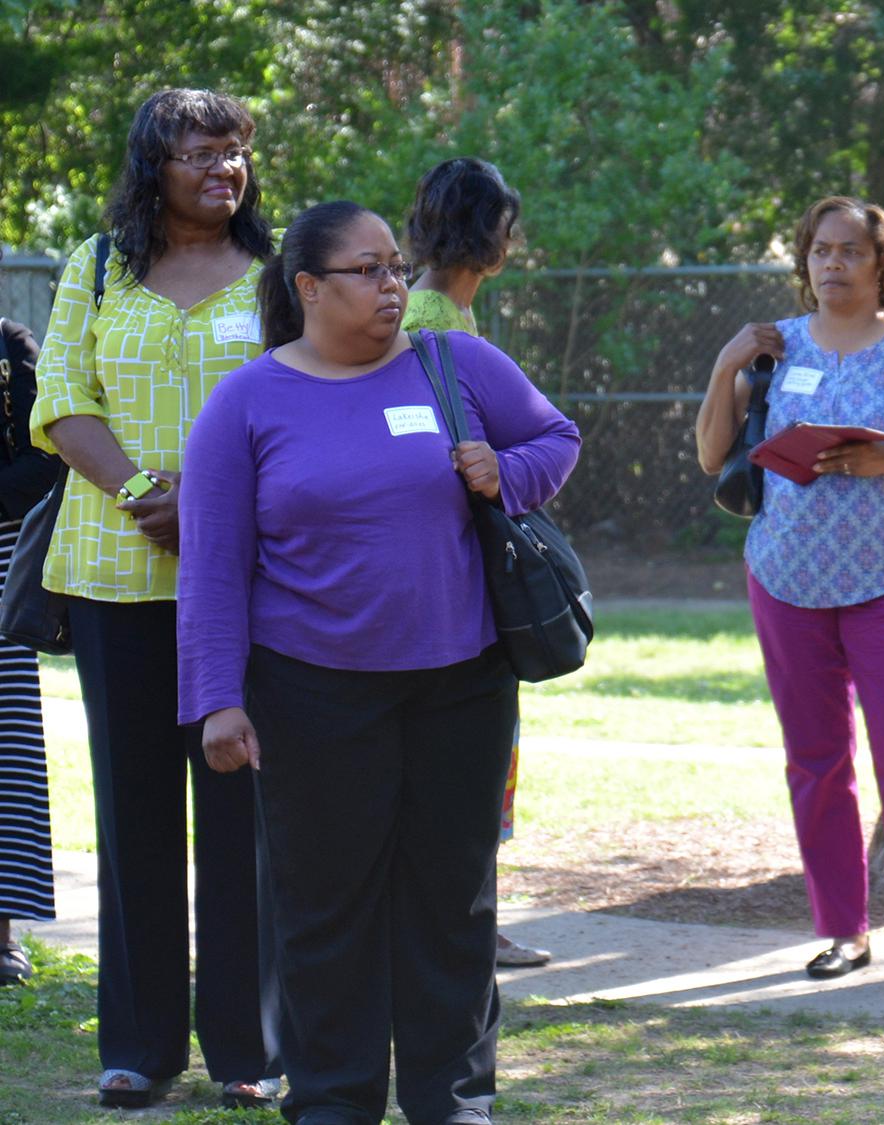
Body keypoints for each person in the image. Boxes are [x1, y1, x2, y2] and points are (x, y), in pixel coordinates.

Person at [176, 200, 580, 1124]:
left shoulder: (454, 363)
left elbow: (555, 437)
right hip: (310, 692)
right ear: (309, 286)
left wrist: (503, 474)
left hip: (462, 683)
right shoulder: (246, 403)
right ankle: (332, 1100)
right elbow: (211, 569)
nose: (393, 285)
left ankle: (454, 1099)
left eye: (398, 267)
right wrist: (216, 702)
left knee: (452, 900)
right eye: (369, 270)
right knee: (325, 912)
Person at [30, 88, 279, 1109]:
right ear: (153, 165)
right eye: (203, 152)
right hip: (114, 577)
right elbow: (61, 401)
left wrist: (216, 503)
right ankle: (136, 1046)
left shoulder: (279, 279)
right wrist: (141, 490)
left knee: (243, 812)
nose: (225, 170)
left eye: (238, 154)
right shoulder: (94, 267)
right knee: (133, 809)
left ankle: (250, 1050)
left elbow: (302, 402)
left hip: (249, 583)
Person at [695, 196, 884, 989]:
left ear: (882, 265)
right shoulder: (774, 347)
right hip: (786, 578)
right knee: (816, 760)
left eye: (849, 252)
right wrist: (727, 363)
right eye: (819, 251)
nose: (831, 265)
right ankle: (843, 933)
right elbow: (712, 453)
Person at [402, 156, 549, 968]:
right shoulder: (436, 320)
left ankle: (466, 917)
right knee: (474, 749)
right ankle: (466, 922)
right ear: (495, 233)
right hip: (460, 574)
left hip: (444, 569)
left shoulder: (424, 307)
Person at [0, 300, 60, 987]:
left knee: (7, 752)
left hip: (1, 564)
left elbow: (45, 455)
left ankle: (4, 934)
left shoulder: (11, 347)